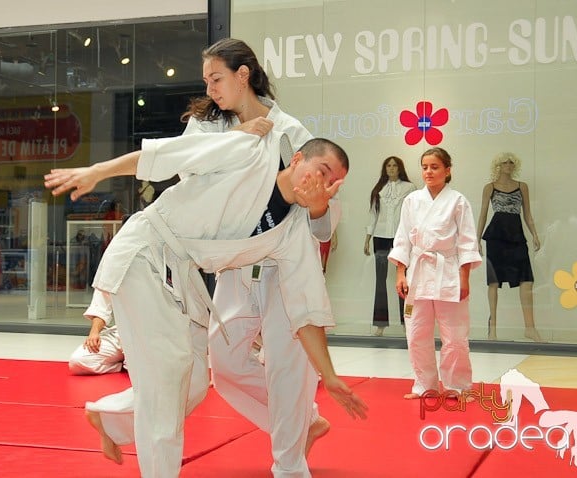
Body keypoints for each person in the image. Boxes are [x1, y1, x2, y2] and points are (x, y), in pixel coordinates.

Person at [44, 133, 368, 478]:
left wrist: (330, 376)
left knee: (196, 380)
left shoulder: (291, 235)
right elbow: (172, 154)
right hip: (146, 253)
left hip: (182, 276)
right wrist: (100, 171)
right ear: (298, 158)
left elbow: (307, 310)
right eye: (321, 171)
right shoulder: (250, 155)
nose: (323, 185)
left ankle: (111, 420)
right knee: (169, 378)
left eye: (333, 184)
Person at [183, 38, 341, 477]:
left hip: (288, 264)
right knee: (227, 363)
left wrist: (318, 205)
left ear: (243, 75)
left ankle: (290, 466)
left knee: (288, 369)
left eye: (217, 78)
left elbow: (325, 222)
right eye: (206, 81)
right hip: (238, 261)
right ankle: (303, 422)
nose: (211, 89)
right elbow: (186, 170)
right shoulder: (208, 127)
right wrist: (233, 140)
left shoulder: (292, 132)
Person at [388, 147, 482, 399]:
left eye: (435, 167)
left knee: (455, 336)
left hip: (448, 271)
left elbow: (467, 242)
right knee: (417, 332)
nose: (428, 172)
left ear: (447, 170)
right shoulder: (412, 201)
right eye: (425, 167)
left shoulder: (458, 201)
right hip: (417, 272)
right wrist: (400, 273)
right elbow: (403, 239)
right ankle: (424, 385)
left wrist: (464, 278)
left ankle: (457, 386)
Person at [476, 152, 543, 342]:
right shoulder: (490, 188)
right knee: (494, 282)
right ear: (498, 165)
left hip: (516, 235)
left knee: (526, 280)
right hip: (496, 236)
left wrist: (535, 234)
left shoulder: (522, 187)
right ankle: (493, 330)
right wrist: (477, 239)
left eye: (511, 162)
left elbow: (527, 214)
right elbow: (482, 214)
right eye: (504, 162)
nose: (508, 165)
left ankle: (530, 328)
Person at [364, 156, 416, 336]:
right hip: (380, 237)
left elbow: (413, 215)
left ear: (399, 168)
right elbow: (373, 214)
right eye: (388, 166)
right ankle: (380, 324)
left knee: (404, 282)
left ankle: (407, 323)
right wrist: (367, 237)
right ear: (385, 168)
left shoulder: (409, 188)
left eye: (394, 166)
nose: (391, 168)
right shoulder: (379, 189)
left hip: (401, 238)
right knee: (380, 280)